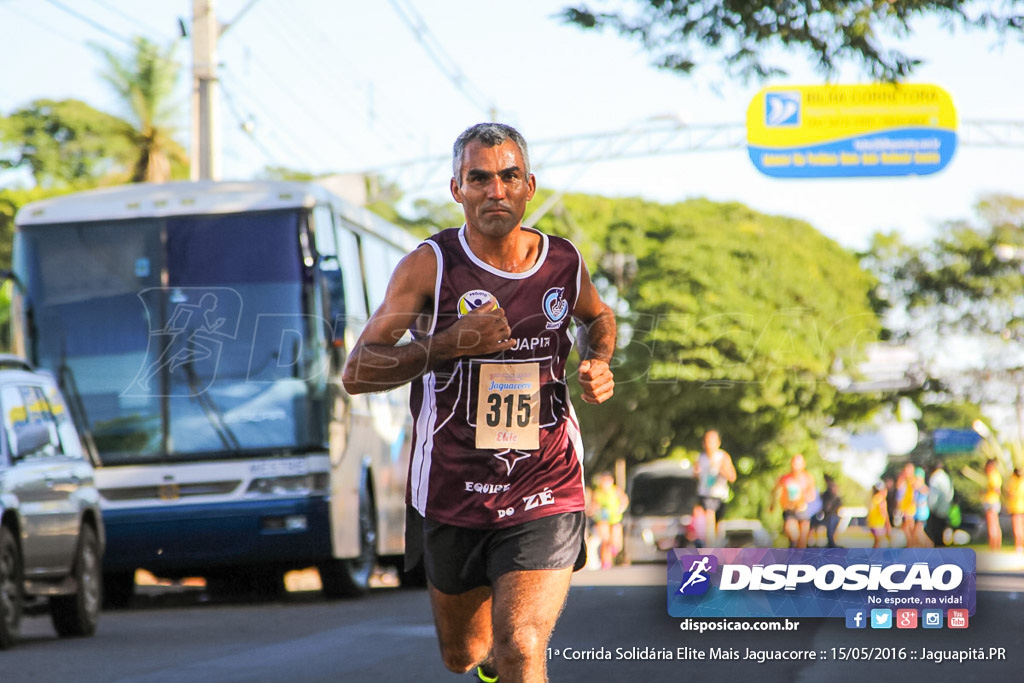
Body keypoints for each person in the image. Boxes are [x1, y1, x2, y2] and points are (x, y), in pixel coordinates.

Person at [341, 122, 616, 683]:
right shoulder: (431, 266)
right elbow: (358, 371)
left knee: (522, 641)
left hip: (546, 478)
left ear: (529, 185)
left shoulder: (563, 262)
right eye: (479, 178)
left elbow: (599, 317)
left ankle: (508, 658)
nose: (496, 190)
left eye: (509, 176)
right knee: (464, 654)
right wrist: (448, 344)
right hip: (452, 486)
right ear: (456, 189)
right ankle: (489, 661)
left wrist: (600, 359)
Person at [694, 429, 736, 545]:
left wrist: (721, 470)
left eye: (712, 441)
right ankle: (710, 550)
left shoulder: (723, 457)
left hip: (720, 495)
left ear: (718, 443)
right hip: (706, 494)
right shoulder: (701, 458)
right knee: (709, 517)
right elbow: (695, 475)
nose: (709, 444)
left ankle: (718, 548)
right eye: (707, 441)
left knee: (719, 527)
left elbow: (732, 477)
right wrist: (697, 473)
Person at [770, 454, 818, 548]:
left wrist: (804, 496)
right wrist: (772, 504)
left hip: (802, 511)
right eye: (794, 462)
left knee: (802, 543)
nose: (795, 465)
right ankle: (792, 557)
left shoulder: (807, 478)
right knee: (794, 537)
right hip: (789, 511)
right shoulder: (786, 478)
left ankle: (799, 561)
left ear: (803, 464)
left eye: (798, 463)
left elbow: (812, 495)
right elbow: (774, 490)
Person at [587, 471, 629, 569]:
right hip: (602, 518)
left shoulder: (616, 490)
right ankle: (606, 562)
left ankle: (613, 550)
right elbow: (594, 505)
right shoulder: (598, 492)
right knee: (605, 540)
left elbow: (624, 501)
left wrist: (621, 509)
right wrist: (592, 511)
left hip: (615, 517)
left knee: (615, 539)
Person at [925, 460, 954, 547]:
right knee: (942, 529)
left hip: (937, 508)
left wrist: (931, 506)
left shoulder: (935, 478)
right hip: (945, 506)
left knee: (936, 531)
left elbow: (934, 494)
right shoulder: (945, 477)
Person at [982, 458, 1003, 551]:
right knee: (995, 523)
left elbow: (996, 489)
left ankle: (993, 545)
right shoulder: (996, 475)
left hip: (991, 501)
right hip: (994, 501)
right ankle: (997, 545)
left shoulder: (993, 476)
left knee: (992, 524)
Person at [910, 467, 931, 548]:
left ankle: (928, 546)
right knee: (917, 533)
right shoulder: (916, 489)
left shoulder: (923, 488)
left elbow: (924, 497)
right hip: (917, 513)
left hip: (922, 514)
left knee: (918, 532)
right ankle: (927, 546)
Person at [867, 481, 891, 548]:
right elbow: (884, 514)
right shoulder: (882, 500)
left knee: (877, 542)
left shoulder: (874, 498)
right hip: (878, 525)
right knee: (880, 543)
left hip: (872, 524)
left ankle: (873, 556)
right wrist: (888, 525)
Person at [1006, 468, 1024, 554]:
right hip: (1021, 507)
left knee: (1017, 528)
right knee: (1021, 527)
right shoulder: (1022, 483)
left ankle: (1018, 546)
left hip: (1016, 508)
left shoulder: (1014, 483)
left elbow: (1011, 494)